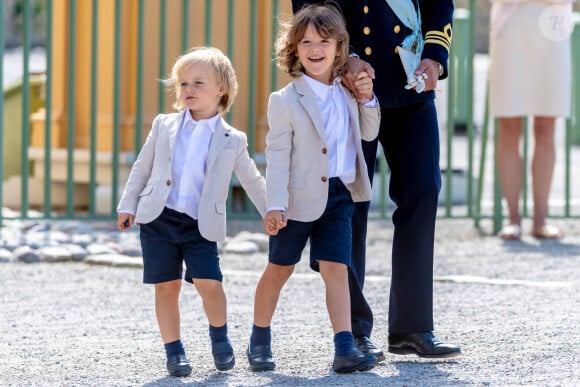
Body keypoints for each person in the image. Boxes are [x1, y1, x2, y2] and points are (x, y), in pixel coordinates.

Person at [292, 0, 461, 358]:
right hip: (347, 85)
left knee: (424, 191)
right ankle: (352, 330)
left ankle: (412, 327)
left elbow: (438, 3)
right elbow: (309, 7)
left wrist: (434, 56)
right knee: (348, 203)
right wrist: (346, 57)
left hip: (410, 79)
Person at [116, 46, 267, 376]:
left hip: (201, 224)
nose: (188, 90)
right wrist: (128, 204)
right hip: (159, 217)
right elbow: (142, 167)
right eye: (183, 84)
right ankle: (175, 352)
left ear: (221, 89)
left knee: (209, 283)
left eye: (198, 83)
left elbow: (252, 178)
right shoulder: (164, 125)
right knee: (166, 285)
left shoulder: (233, 138)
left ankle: (220, 338)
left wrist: (271, 210)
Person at [246, 3, 380, 373]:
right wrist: (274, 205)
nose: (314, 48)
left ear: (340, 47)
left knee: (338, 268)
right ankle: (259, 339)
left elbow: (369, 133)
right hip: (295, 200)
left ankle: (344, 347)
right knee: (279, 269)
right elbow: (277, 158)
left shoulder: (349, 92)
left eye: (323, 40)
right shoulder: (285, 100)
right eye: (305, 42)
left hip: (339, 196)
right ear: (294, 49)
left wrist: (368, 99)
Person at [489, 0, 572, 240]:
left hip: (552, 26)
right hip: (511, 25)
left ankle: (540, 220)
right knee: (509, 125)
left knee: (547, 126)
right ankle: (512, 218)